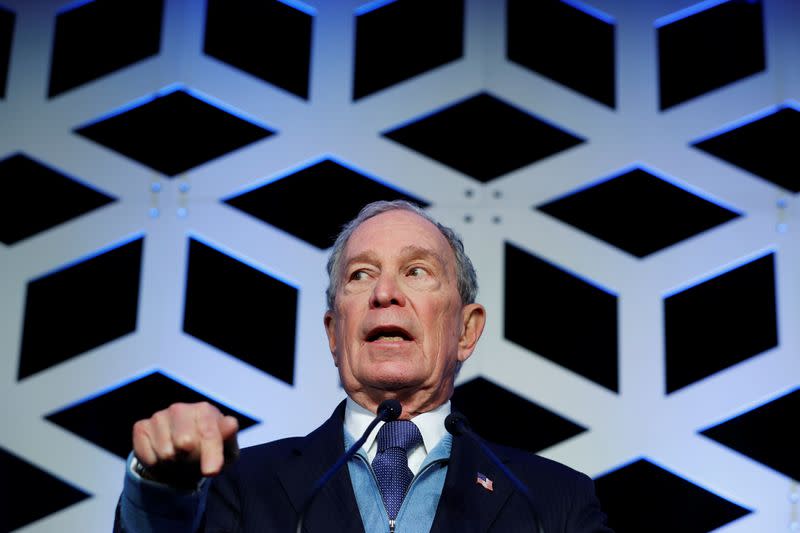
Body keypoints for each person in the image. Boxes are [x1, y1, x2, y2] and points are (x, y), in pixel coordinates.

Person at [114, 200, 613, 532]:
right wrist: (160, 485)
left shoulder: (553, 501)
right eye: (361, 274)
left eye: (416, 271)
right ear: (334, 334)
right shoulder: (242, 484)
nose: (385, 293)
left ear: (466, 330)